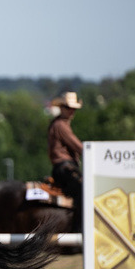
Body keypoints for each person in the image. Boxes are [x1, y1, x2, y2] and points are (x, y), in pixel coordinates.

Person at [47, 92, 83, 230]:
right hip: (64, 167)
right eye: (68, 108)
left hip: (62, 167)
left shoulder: (58, 123)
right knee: (84, 189)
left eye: (73, 108)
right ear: (62, 108)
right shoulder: (61, 125)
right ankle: (80, 226)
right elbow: (78, 147)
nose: (72, 111)